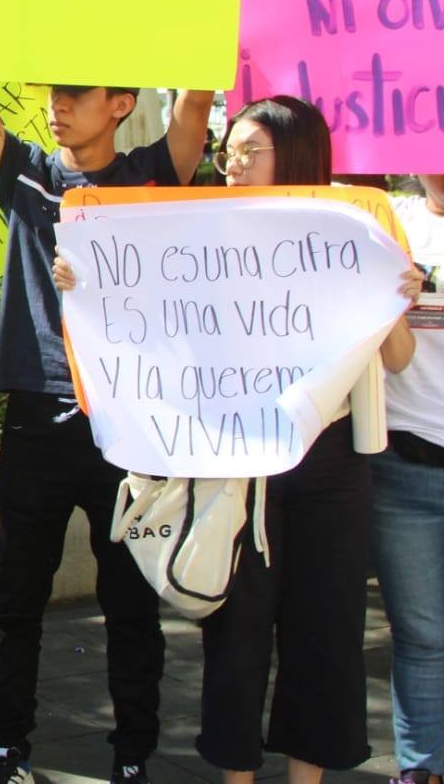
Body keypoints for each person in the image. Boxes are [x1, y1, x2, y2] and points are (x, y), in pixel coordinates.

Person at [0, 0, 259, 784]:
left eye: (79, 93)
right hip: (33, 422)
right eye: (55, 93)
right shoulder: (24, 174)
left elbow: (197, 99)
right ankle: (9, 747)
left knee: (129, 602)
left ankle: (131, 756)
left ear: (120, 104)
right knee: (14, 598)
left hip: (127, 424)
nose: (59, 105)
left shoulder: (152, 175)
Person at [56, 95, 419, 784]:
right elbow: (146, 314)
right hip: (235, 461)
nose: (232, 163)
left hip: (329, 463)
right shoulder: (200, 229)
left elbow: (397, 359)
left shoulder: (354, 228)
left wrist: (396, 296)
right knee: (235, 630)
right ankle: (236, 775)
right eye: (229, 150)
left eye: (250, 151)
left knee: (326, 631)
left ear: (297, 155)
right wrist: (86, 281)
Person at [372, 172, 444, 784]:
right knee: (420, 638)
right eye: (440, 153)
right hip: (404, 469)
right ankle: (419, 772)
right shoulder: (383, 219)